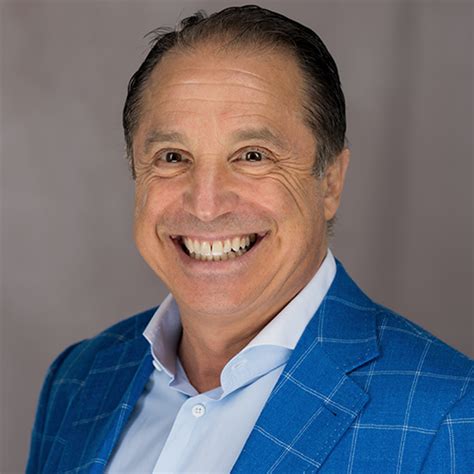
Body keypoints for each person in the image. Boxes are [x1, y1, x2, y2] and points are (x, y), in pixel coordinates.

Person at [27, 5, 472, 473]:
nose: (206, 205)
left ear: (330, 182)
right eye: (172, 156)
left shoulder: (451, 415)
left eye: (253, 156)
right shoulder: (80, 379)